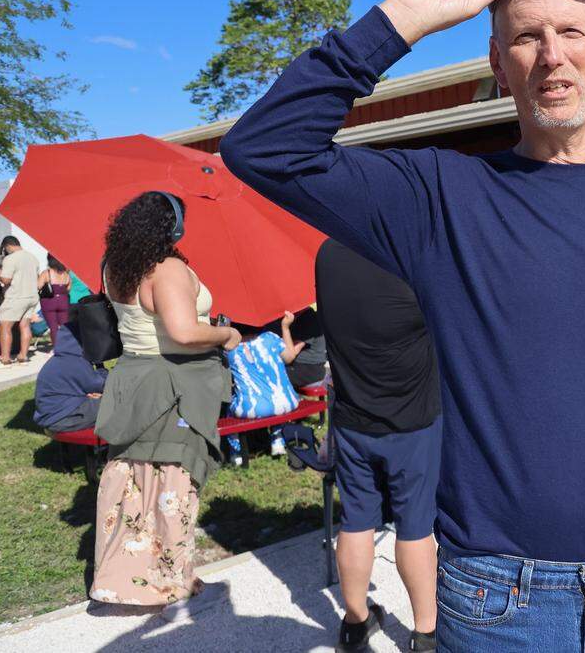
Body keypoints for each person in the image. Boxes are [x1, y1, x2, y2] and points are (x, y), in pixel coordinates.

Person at [220, 0, 585, 650]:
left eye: (571, 31)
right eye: (527, 36)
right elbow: (264, 148)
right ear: (500, 66)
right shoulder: (445, 197)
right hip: (500, 604)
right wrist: (403, 17)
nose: (552, 54)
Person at [92, 191, 240, 620]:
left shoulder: (115, 265)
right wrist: (225, 336)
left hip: (131, 377)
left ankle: (121, 578)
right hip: (171, 383)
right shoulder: (167, 269)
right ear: (171, 228)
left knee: (131, 481)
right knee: (172, 481)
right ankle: (165, 580)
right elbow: (183, 332)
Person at [316, 239, 441, 652]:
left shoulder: (328, 253)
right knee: (415, 525)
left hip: (353, 418)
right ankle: (425, 631)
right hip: (413, 421)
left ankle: (354, 621)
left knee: (355, 521)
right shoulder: (411, 257)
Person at [224, 311, 305, 466]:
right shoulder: (270, 338)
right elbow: (289, 357)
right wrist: (285, 327)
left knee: (228, 409)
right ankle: (277, 441)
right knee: (272, 394)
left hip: (252, 408)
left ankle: (237, 453)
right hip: (287, 402)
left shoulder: (229, 349)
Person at [32, 320, 106, 433]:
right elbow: (99, 385)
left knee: (104, 401)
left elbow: (86, 384)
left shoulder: (61, 359)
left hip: (55, 414)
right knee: (115, 404)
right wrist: (103, 370)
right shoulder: (75, 361)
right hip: (64, 417)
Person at [0, 236, 40, 366]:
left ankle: (5, 359)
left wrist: (1, 275)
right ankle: (23, 356)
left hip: (16, 297)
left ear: (7, 246)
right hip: (32, 296)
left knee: (4, 326)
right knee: (25, 326)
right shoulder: (33, 257)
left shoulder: (10, 259)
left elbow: (6, 280)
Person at [38, 253, 71, 346]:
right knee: (64, 326)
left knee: (53, 327)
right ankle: (66, 345)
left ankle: (56, 347)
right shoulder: (66, 274)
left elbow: (38, 286)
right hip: (63, 301)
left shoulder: (47, 273)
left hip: (49, 302)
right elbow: (68, 289)